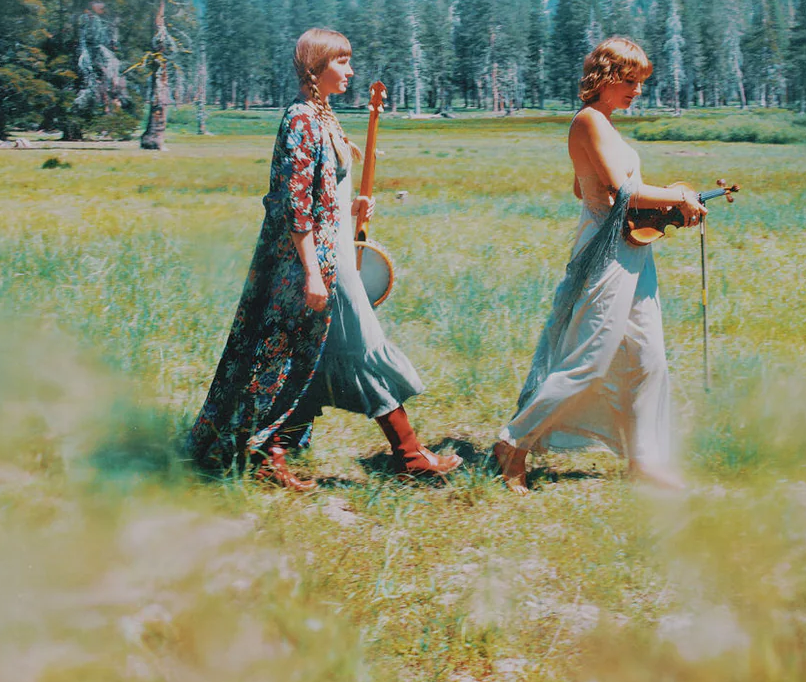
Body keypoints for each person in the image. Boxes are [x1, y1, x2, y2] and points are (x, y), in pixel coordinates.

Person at [185, 27, 461, 491]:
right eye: (342, 61)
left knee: (313, 357)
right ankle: (410, 455)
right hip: (316, 264)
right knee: (364, 346)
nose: (351, 71)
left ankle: (272, 453)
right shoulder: (301, 120)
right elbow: (294, 205)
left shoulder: (323, 116)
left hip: (334, 257)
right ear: (316, 66)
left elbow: (322, 193)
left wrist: (350, 207)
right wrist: (313, 273)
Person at [492, 37, 705, 495]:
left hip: (632, 248)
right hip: (604, 253)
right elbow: (619, 191)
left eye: (640, 82)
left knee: (648, 358)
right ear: (605, 78)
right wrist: (678, 196)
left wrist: (663, 210)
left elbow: (584, 188)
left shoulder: (604, 124)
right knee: (588, 359)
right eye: (630, 81)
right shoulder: (588, 119)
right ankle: (513, 443)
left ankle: (642, 461)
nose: (637, 90)